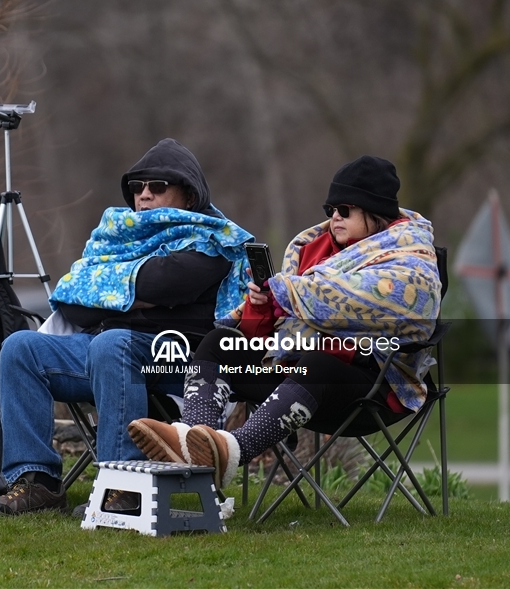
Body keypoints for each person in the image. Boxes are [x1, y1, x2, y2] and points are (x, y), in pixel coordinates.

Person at [129, 155, 442, 491]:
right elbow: (265, 333)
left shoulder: (409, 255)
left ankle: (230, 453)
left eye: (345, 210)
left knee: (317, 363)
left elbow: (377, 300)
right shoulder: (311, 249)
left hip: (370, 383)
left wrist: (290, 292)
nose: (335, 217)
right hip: (290, 371)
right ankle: (194, 443)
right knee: (218, 344)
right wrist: (262, 305)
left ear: (375, 212)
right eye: (330, 210)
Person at [0, 138, 252, 516]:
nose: (144, 196)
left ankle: (124, 486)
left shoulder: (212, 242)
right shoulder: (118, 239)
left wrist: (112, 290)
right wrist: (138, 294)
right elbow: (73, 300)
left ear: (188, 196)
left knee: (113, 342)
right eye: (137, 188)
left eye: (158, 187)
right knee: (21, 347)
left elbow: (166, 283)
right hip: (106, 350)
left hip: (176, 360)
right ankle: (36, 483)